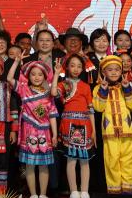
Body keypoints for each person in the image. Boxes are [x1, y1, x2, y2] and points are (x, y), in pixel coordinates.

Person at [10, 59, 58, 198]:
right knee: (29, 165)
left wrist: (55, 135)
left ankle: (42, 194)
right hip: (29, 131)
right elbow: (9, 79)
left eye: (40, 74)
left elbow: (52, 115)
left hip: (44, 133)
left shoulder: (48, 94)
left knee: (44, 165)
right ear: (28, 76)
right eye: (33, 74)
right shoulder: (24, 89)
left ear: (44, 76)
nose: (36, 77)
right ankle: (33, 194)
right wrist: (16, 63)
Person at [93, 55, 132, 196]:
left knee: (128, 161)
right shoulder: (98, 88)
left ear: (121, 71)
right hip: (110, 132)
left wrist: (127, 89)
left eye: (117, 69)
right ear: (103, 72)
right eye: (110, 70)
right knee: (111, 161)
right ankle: (114, 190)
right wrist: (103, 90)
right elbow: (98, 107)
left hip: (127, 131)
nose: (114, 72)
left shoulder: (126, 86)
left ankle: (127, 190)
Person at [52, 54, 95, 198]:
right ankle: (74, 191)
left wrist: (94, 131)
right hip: (68, 124)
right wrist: (56, 74)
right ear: (67, 67)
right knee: (71, 160)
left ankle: (85, 190)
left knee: (84, 160)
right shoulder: (64, 84)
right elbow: (53, 93)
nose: (76, 69)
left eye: (79, 66)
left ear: (83, 69)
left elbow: (90, 110)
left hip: (85, 125)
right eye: (72, 65)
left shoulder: (86, 86)